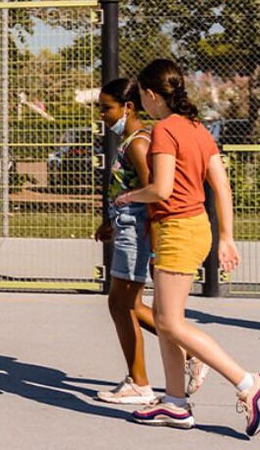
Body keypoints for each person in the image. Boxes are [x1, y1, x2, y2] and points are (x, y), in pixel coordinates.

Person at [114, 58, 258, 433]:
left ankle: (247, 383)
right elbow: (221, 186)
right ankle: (175, 403)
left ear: (149, 94)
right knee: (165, 318)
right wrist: (226, 236)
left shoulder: (163, 130)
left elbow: (160, 189)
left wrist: (129, 197)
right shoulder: (198, 128)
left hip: (177, 229)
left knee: (169, 321)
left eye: (141, 97)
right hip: (197, 227)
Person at [92, 78, 210, 404]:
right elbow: (131, 196)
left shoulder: (139, 144)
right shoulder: (131, 141)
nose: (102, 114)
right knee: (126, 305)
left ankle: (145, 379)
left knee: (123, 304)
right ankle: (167, 364)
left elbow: (156, 196)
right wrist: (110, 224)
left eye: (107, 108)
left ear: (128, 107)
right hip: (128, 231)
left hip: (140, 237)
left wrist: (156, 249)